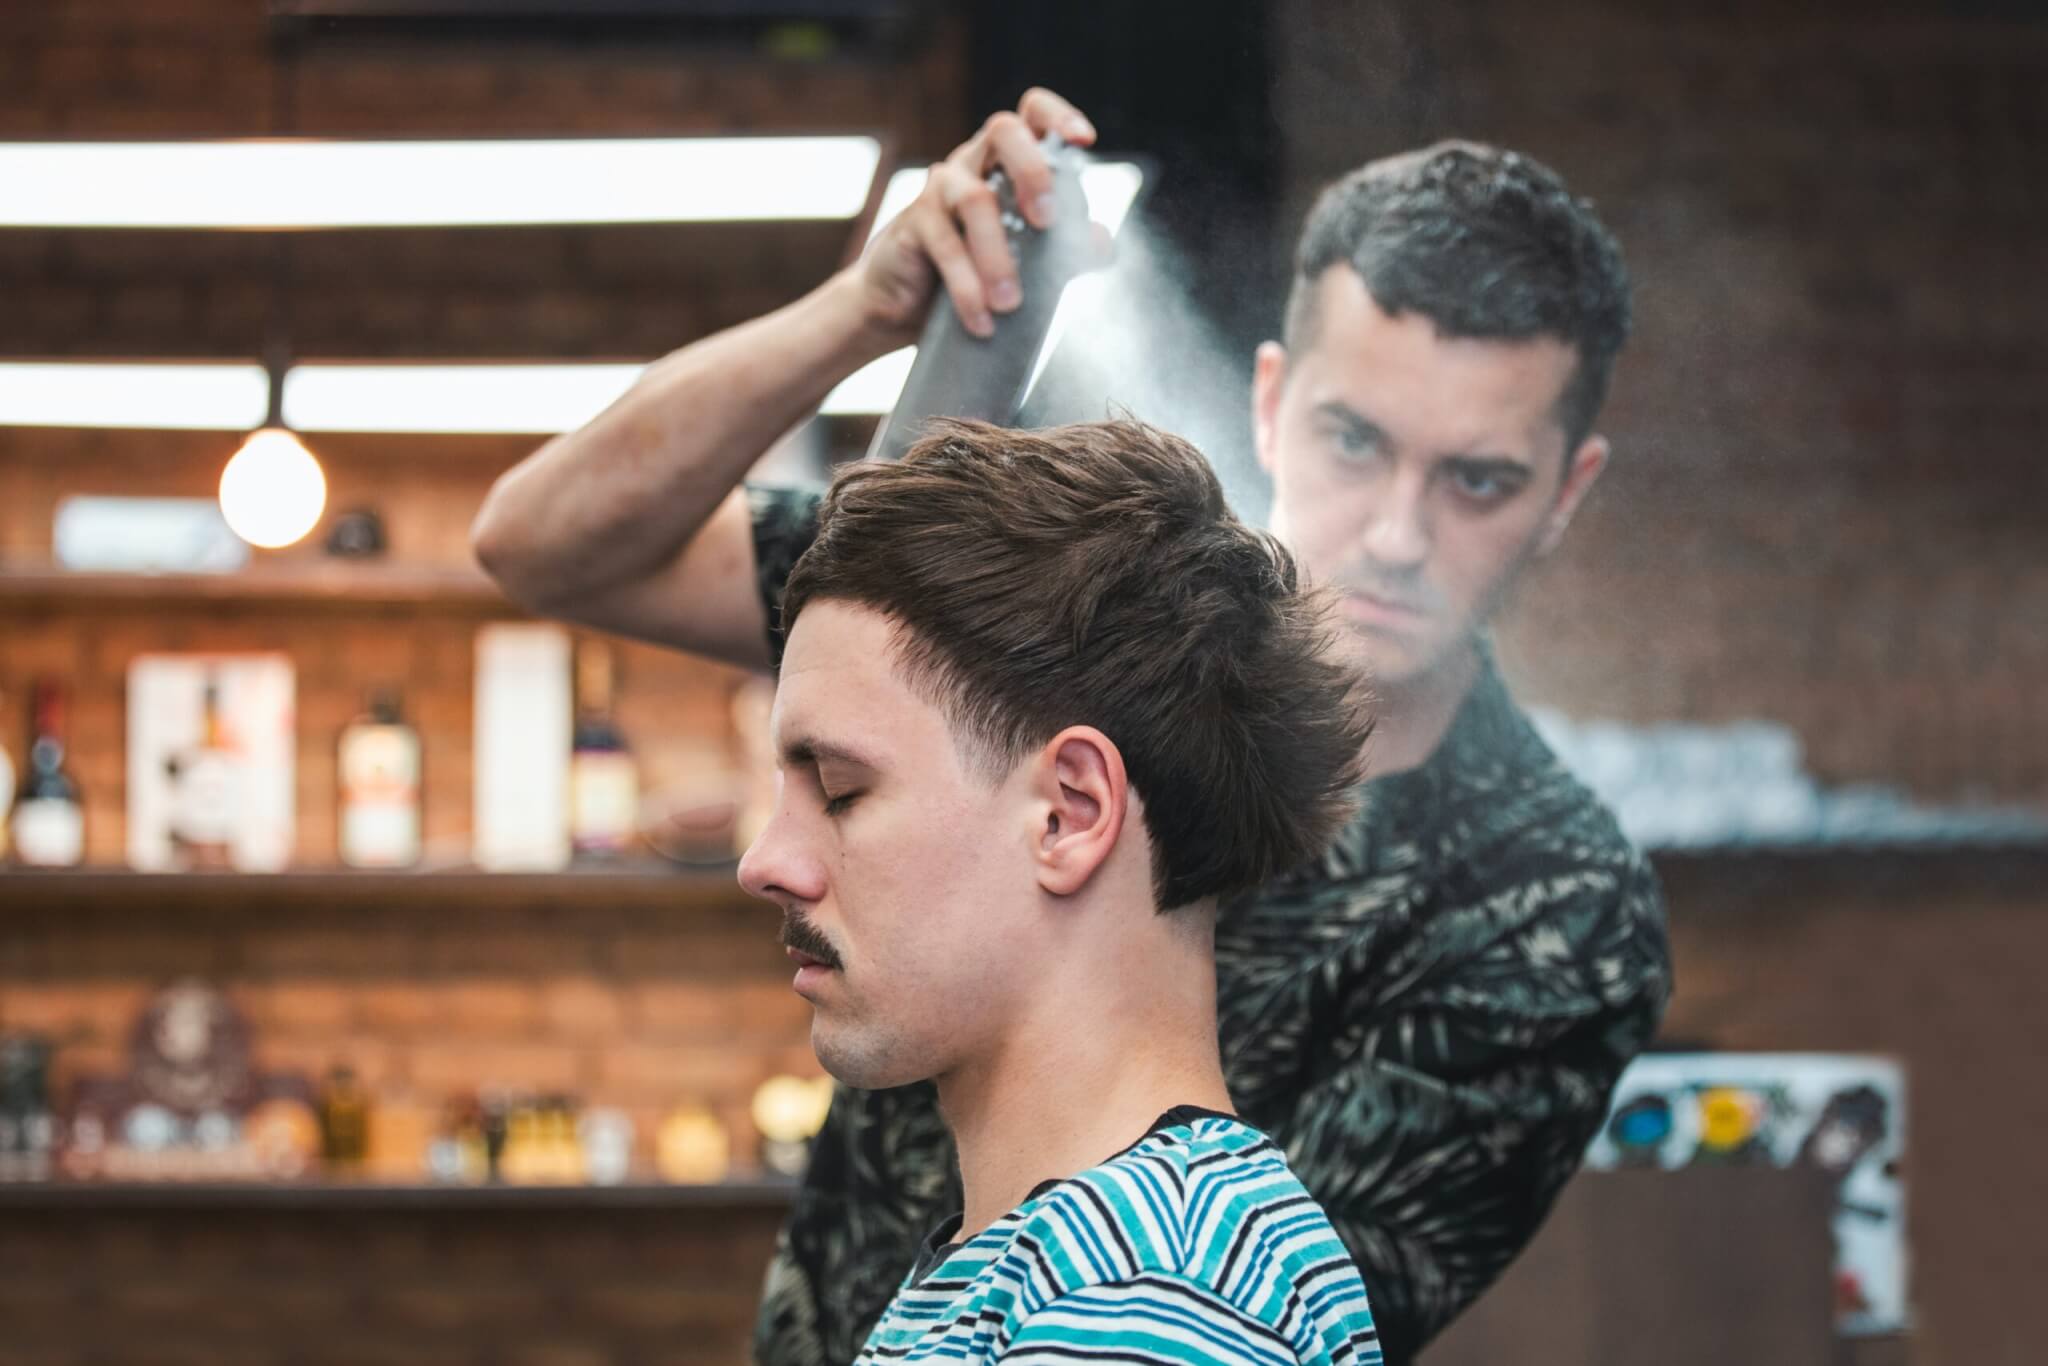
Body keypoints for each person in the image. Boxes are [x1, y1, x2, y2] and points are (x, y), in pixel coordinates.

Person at [472, 89, 1671, 1365]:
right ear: (1269, 402)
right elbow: (543, 545)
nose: (1392, 532)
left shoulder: (1552, 910)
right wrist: (867, 315)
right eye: (1353, 441)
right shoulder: (1056, 611)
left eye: (1476, 479)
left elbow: (1213, 1315)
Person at [739, 416, 1381, 1363]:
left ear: (1069, 814)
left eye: (840, 790)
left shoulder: (1153, 1297)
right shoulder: (1055, 1271)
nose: (766, 862)